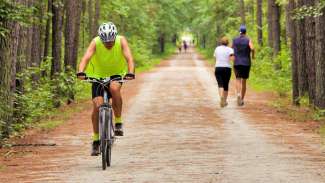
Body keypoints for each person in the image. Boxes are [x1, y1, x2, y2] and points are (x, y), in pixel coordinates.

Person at [77, 22, 135, 156]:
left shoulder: (121, 41)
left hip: (116, 73)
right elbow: (86, 58)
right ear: (101, 39)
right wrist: (81, 71)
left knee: (114, 89)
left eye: (110, 41)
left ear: (115, 37)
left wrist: (131, 72)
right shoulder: (95, 42)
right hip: (97, 75)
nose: (108, 44)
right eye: (105, 42)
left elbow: (129, 58)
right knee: (97, 106)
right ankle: (96, 140)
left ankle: (118, 122)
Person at [232, 25, 255, 106]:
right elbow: (252, 48)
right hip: (246, 63)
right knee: (244, 81)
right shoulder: (248, 40)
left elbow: (231, 49)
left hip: (237, 62)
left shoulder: (234, 40)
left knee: (238, 79)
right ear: (245, 32)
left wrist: (233, 57)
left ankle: (238, 94)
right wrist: (253, 56)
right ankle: (241, 99)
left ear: (239, 32)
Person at [214, 37, 235, 107]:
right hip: (227, 68)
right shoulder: (230, 49)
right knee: (226, 85)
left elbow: (215, 57)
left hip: (218, 67)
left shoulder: (217, 48)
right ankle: (225, 101)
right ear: (228, 42)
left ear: (221, 42)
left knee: (220, 84)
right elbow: (232, 59)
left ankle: (221, 97)